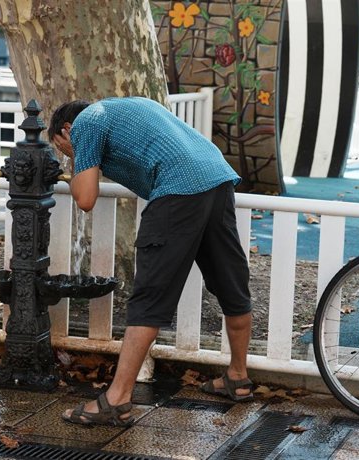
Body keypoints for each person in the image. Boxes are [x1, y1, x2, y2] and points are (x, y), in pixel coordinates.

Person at [49, 97, 253, 426]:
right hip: (216, 178)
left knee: (150, 296)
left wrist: (76, 159)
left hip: (179, 189)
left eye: (62, 146)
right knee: (231, 283)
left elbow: (85, 198)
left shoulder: (86, 122)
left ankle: (115, 400)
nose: (68, 150)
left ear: (66, 129)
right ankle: (238, 377)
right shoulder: (125, 109)